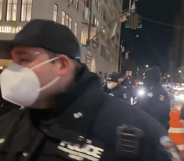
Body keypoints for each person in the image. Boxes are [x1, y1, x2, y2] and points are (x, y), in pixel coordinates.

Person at [0, 19, 180, 161]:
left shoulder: (138, 132)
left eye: (24, 60)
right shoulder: (10, 123)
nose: (15, 70)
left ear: (62, 65)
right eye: (14, 62)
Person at [134, 66, 171, 131]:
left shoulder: (160, 93)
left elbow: (159, 115)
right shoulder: (146, 90)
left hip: (154, 131)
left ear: (151, 78)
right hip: (142, 128)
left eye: (145, 77)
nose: (144, 79)